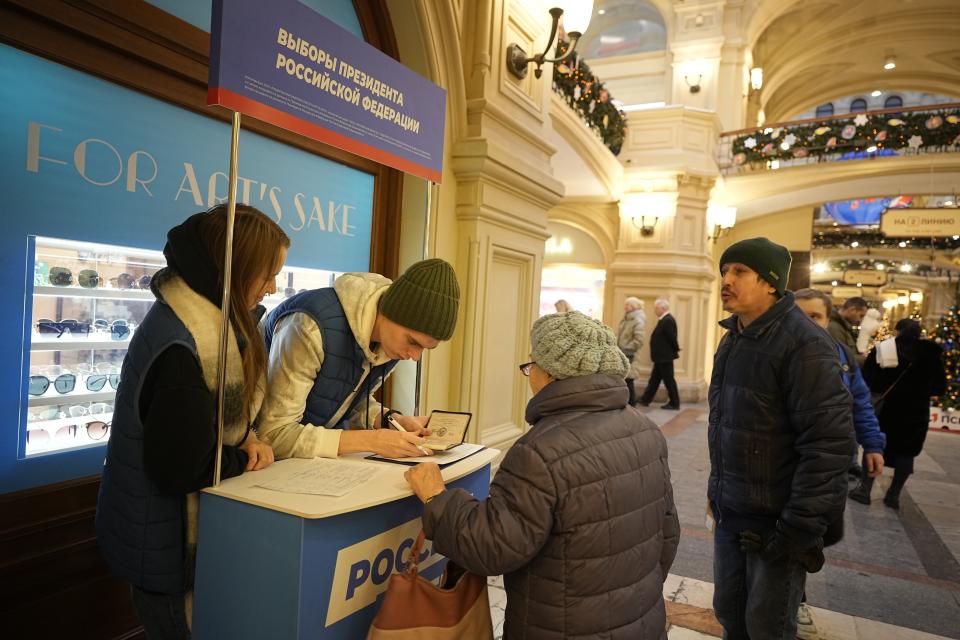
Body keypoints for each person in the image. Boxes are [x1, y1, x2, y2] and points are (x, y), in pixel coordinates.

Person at [404, 311, 680, 638]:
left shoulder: (540, 452)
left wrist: (439, 499)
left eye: (532, 364)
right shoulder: (646, 431)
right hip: (641, 623)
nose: (529, 374)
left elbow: (493, 547)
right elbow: (667, 533)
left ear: (551, 373)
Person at [96, 205, 289, 638]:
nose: (274, 287)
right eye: (267, 273)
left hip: (159, 539)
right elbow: (180, 468)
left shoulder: (195, 319)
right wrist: (243, 458)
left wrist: (244, 442)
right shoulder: (188, 344)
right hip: (166, 553)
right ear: (235, 267)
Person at [709, 238, 854, 640]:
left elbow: (828, 445)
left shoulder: (806, 344)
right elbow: (726, 423)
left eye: (739, 271)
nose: (726, 280)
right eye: (725, 271)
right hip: (733, 513)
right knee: (730, 615)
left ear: (770, 282)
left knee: (767, 626)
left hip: (777, 523)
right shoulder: (733, 337)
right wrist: (717, 492)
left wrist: (797, 528)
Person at [256, 258, 460, 460]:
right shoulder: (308, 326)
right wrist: (372, 441)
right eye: (413, 341)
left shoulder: (390, 343)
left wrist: (392, 420)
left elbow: (344, 399)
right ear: (391, 312)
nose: (415, 357)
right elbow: (273, 434)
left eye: (426, 348)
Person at [793, 287, 886, 640]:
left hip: (831, 464)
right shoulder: (781, 354)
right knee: (795, 532)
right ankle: (794, 600)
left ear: (827, 319)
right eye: (799, 316)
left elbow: (859, 401)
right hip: (791, 463)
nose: (807, 324)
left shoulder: (841, 355)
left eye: (815, 317)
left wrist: (872, 444)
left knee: (819, 531)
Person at [861, 318, 946, 510]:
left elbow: (866, 378)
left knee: (875, 447)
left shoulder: (884, 349)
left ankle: (864, 491)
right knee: (906, 453)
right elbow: (940, 387)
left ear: (897, 331)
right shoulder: (931, 355)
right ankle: (893, 496)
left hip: (886, 410)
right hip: (916, 413)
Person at [638, 298, 681, 410]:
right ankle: (645, 399)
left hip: (664, 357)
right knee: (654, 379)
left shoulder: (667, 320)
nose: (654, 310)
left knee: (668, 380)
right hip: (661, 357)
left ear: (663, 308)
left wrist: (676, 348)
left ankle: (674, 403)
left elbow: (672, 337)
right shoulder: (664, 319)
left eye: (656, 308)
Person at [617, 296, 646, 405]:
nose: (625, 307)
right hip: (622, 353)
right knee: (626, 379)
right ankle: (628, 402)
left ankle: (631, 402)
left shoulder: (637, 320)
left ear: (634, 306)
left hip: (630, 354)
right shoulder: (627, 318)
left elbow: (639, 340)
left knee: (629, 379)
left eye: (627, 305)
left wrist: (626, 349)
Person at [828, 297, 868, 364]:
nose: (860, 320)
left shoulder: (843, 326)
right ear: (852, 310)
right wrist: (865, 358)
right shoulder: (835, 328)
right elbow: (840, 357)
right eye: (861, 315)